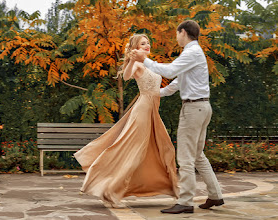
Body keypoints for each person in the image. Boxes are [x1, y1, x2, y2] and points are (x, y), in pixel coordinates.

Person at [74, 34, 178, 208]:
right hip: (143, 110)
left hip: (153, 111)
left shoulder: (151, 64)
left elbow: (160, 86)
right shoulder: (137, 64)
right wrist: (131, 59)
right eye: (142, 44)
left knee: (161, 148)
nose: (147, 45)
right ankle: (110, 190)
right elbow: (127, 76)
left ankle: (169, 187)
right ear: (135, 48)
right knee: (134, 151)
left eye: (148, 43)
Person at [131, 20, 224, 214]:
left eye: (176, 33)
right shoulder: (192, 53)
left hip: (193, 109)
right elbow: (178, 82)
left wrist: (144, 59)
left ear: (182, 32)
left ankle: (185, 201)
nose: (176, 37)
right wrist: (157, 93)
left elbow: (170, 71)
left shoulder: (191, 52)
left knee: (186, 158)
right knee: (198, 156)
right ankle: (215, 195)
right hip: (201, 107)